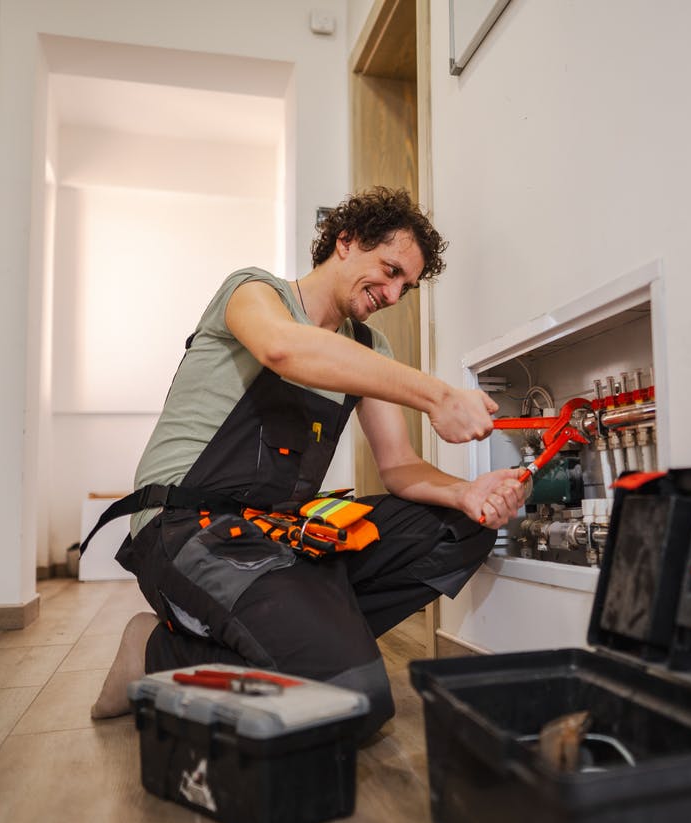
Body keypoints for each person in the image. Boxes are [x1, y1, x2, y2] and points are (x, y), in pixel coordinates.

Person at [90, 187, 526, 737]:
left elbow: (399, 466)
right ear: (346, 241)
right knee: (353, 698)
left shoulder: (370, 346)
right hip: (184, 527)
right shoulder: (252, 292)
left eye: (407, 286)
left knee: (459, 529)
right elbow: (284, 349)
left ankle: (310, 634)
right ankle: (153, 651)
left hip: (277, 536)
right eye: (390, 270)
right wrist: (436, 395)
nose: (394, 294)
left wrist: (467, 492)